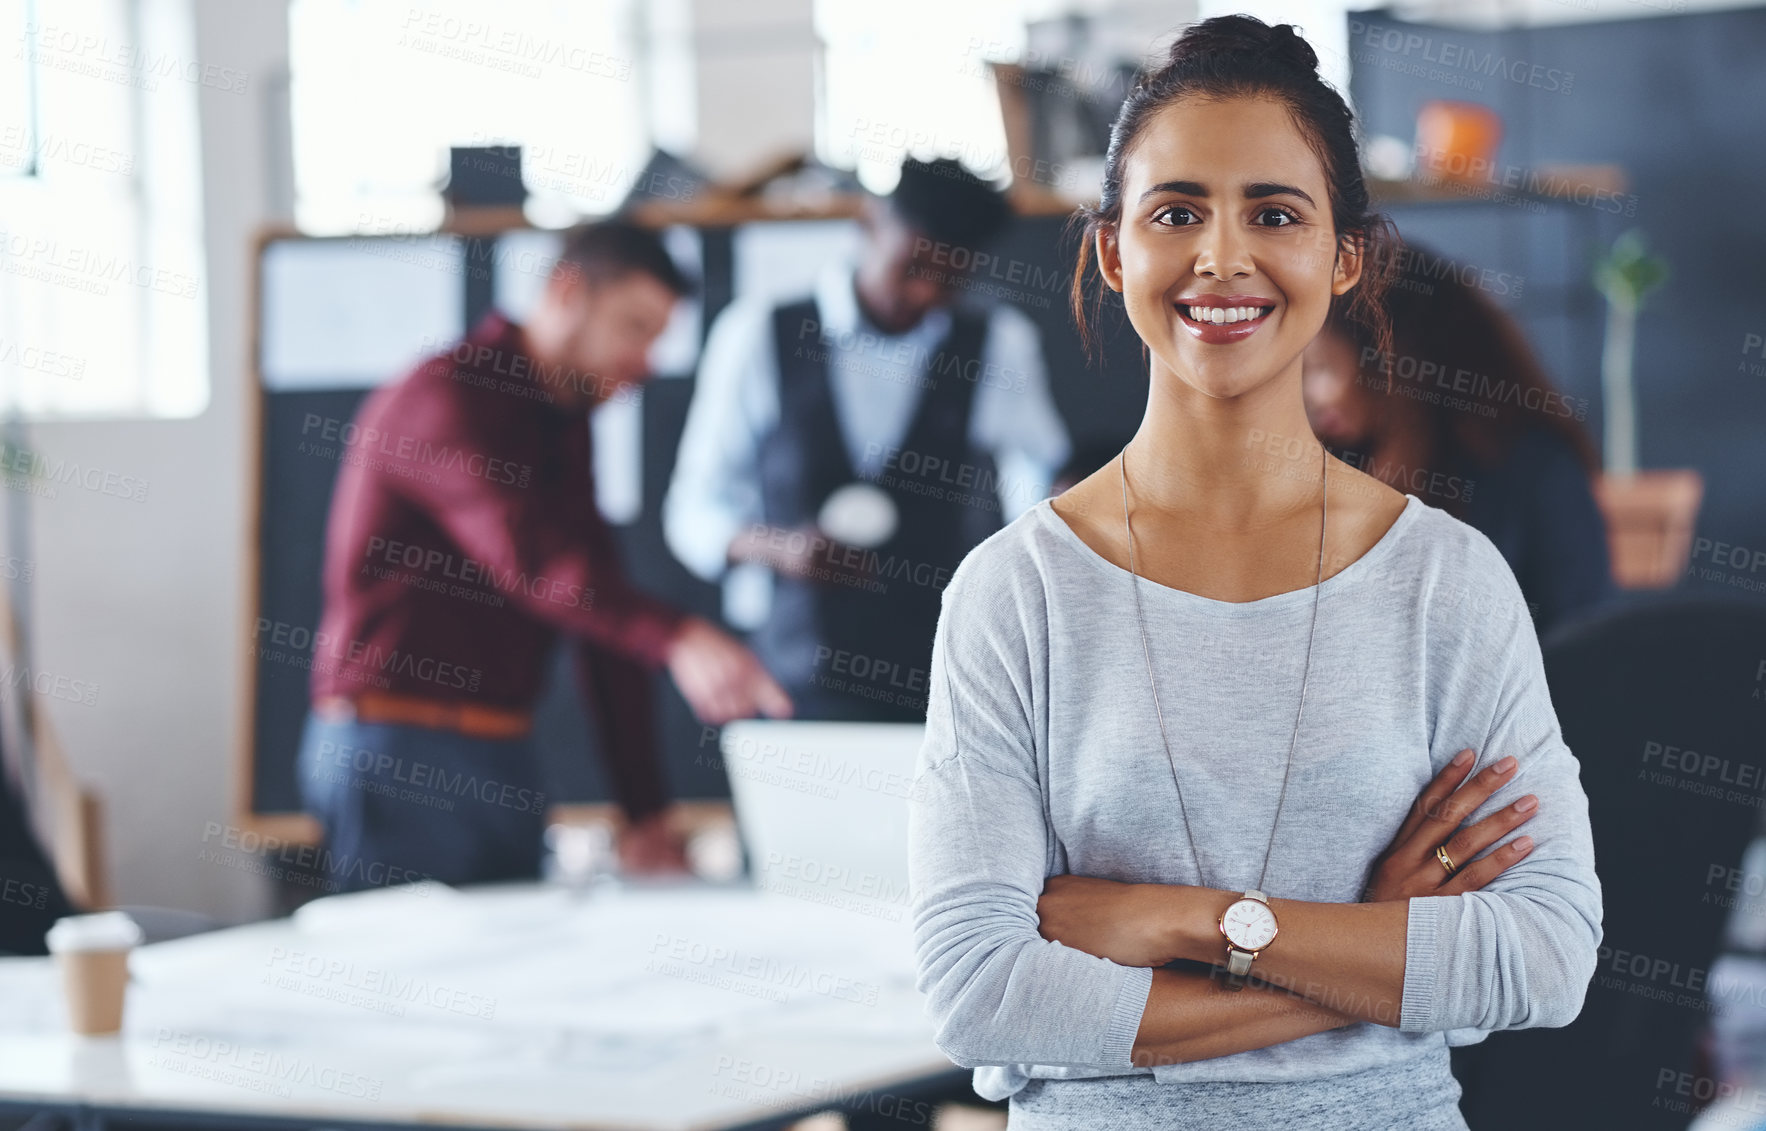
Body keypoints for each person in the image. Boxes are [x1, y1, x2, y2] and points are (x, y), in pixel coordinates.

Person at [907, 16, 1602, 1130]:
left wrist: (1186, 923)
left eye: (1272, 213)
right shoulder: (1014, 593)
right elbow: (981, 994)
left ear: (1343, 257)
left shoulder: (1444, 583)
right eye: (1175, 212)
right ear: (1111, 250)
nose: (1221, 257)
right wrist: (1369, 951)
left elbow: (1541, 955)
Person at [297, 220, 791, 892]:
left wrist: (644, 814)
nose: (645, 362)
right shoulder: (444, 398)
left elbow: (597, 613)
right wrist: (678, 636)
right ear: (566, 292)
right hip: (399, 752)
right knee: (405, 990)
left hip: (506, 756)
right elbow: (533, 563)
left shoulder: (564, 427)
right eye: (635, 327)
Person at [662, 157, 1071, 722]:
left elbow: (1040, 480)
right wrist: (778, 548)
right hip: (794, 675)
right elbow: (693, 509)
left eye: (951, 279)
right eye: (914, 266)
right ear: (869, 224)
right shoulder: (758, 334)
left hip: (944, 673)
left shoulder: (999, 344)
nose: (926, 293)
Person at [1302, 238, 1616, 636]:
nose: (1310, 395)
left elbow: (1577, 644)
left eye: (1323, 368)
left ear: (1392, 361)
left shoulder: (1531, 471)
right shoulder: (1328, 467)